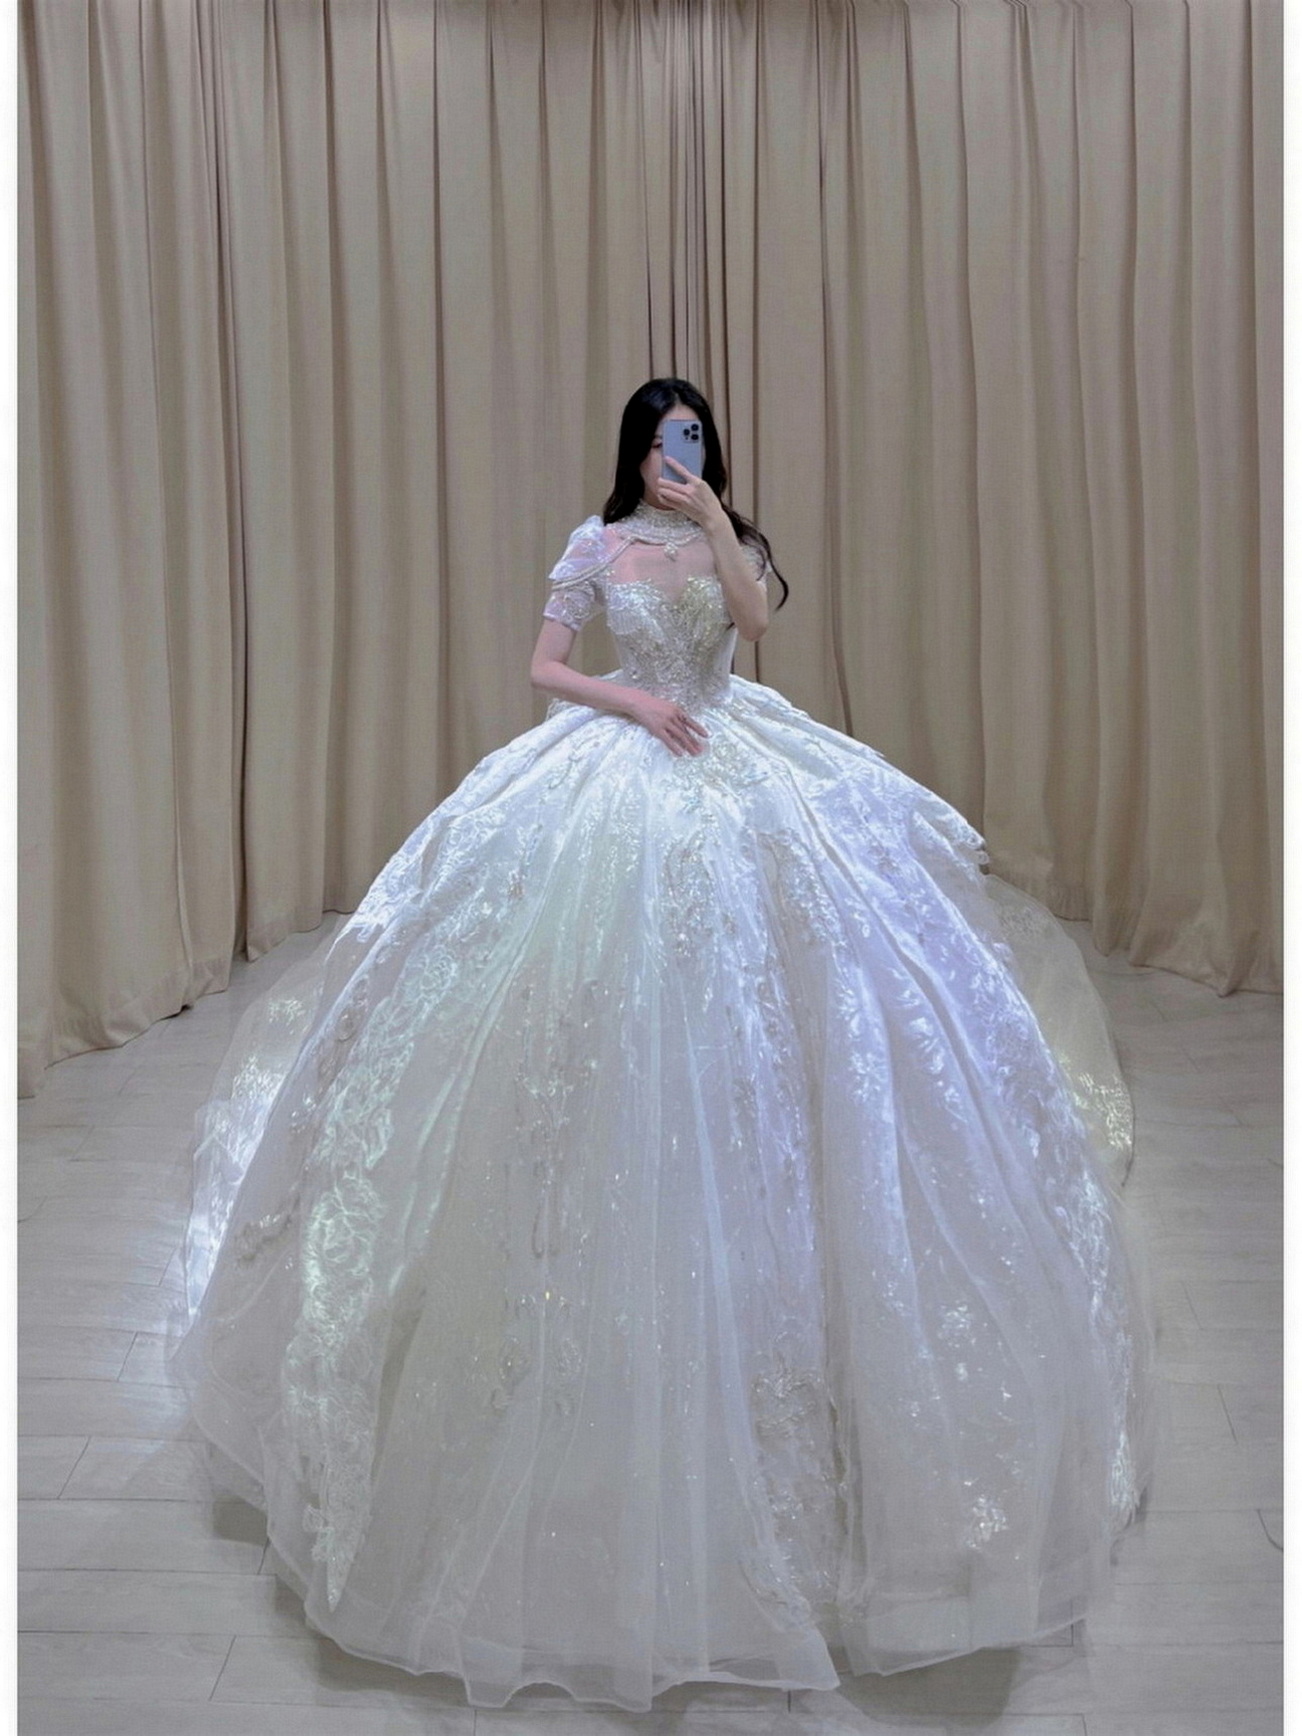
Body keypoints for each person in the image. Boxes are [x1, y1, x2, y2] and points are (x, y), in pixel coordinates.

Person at [166, 376, 1163, 1713]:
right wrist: (629, 704)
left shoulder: (726, 542)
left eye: (690, 437)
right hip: (621, 752)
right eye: (657, 436)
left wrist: (718, 528)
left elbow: (754, 630)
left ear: (706, 449)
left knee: (828, 989)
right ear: (631, 446)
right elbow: (543, 669)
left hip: (737, 753)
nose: (671, 453)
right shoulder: (593, 546)